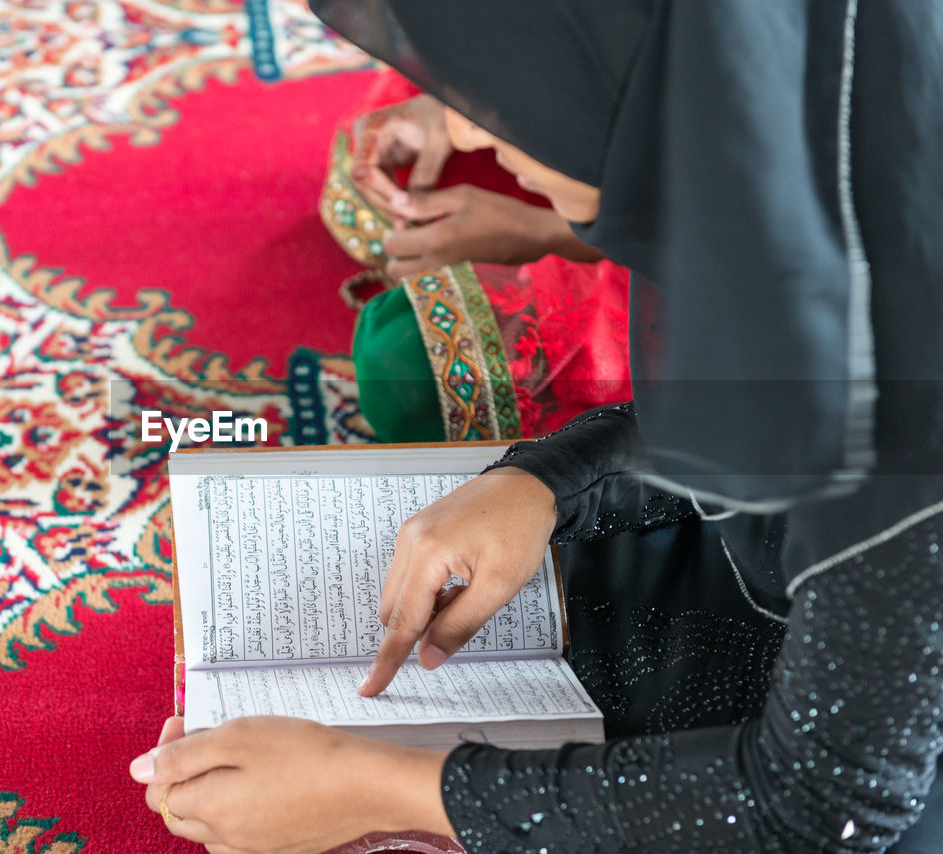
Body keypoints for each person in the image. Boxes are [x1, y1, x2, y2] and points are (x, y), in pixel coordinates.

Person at [131, 2, 943, 852]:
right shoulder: (810, 179)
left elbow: (826, 807)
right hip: (817, 618)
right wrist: (541, 484)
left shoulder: (902, 381)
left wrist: (382, 788)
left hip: (878, 774)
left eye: (514, 101)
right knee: (570, 591)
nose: (484, 143)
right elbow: (735, 433)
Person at [321, 73, 631, 442]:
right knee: (365, 191)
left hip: (691, 292)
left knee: (423, 370)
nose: (463, 135)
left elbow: (700, 273)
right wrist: (450, 104)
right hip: (617, 121)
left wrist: (543, 236)